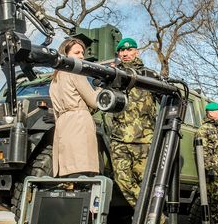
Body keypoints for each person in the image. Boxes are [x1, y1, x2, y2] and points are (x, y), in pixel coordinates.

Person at [109, 37, 159, 207]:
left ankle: (151, 220)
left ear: (136, 51)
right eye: (122, 50)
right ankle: (150, 216)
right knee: (122, 181)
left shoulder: (150, 75)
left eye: (129, 50)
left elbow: (168, 100)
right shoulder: (112, 76)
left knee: (147, 184)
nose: (125, 53)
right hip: (119, 138)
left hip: (144, 139)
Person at [49, 38, 100, 178]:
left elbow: (55, 113)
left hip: (62, 127)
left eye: (82, 53)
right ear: (65, 54)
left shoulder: (54, 80)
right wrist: (102, 87)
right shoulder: (75, 73)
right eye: (77, 52)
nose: (82, 56)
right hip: (79, 124)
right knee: (83, 174)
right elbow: (94, 101)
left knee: (68, 175)